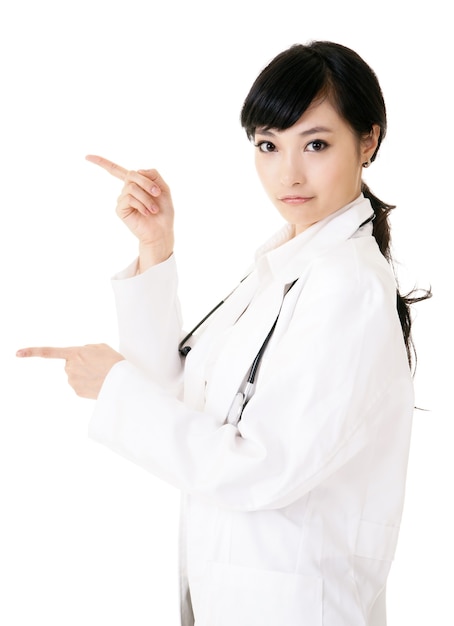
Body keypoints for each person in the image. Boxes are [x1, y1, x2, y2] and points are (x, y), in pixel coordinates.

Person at [17, 40, 431, 625]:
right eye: (268, 145)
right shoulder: (285, 268)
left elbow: (261, 464)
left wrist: (113, 386)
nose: (288, 172)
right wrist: (155, 246)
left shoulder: (347, 286)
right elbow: (185, 403)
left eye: (315, 144)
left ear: (368, 141)